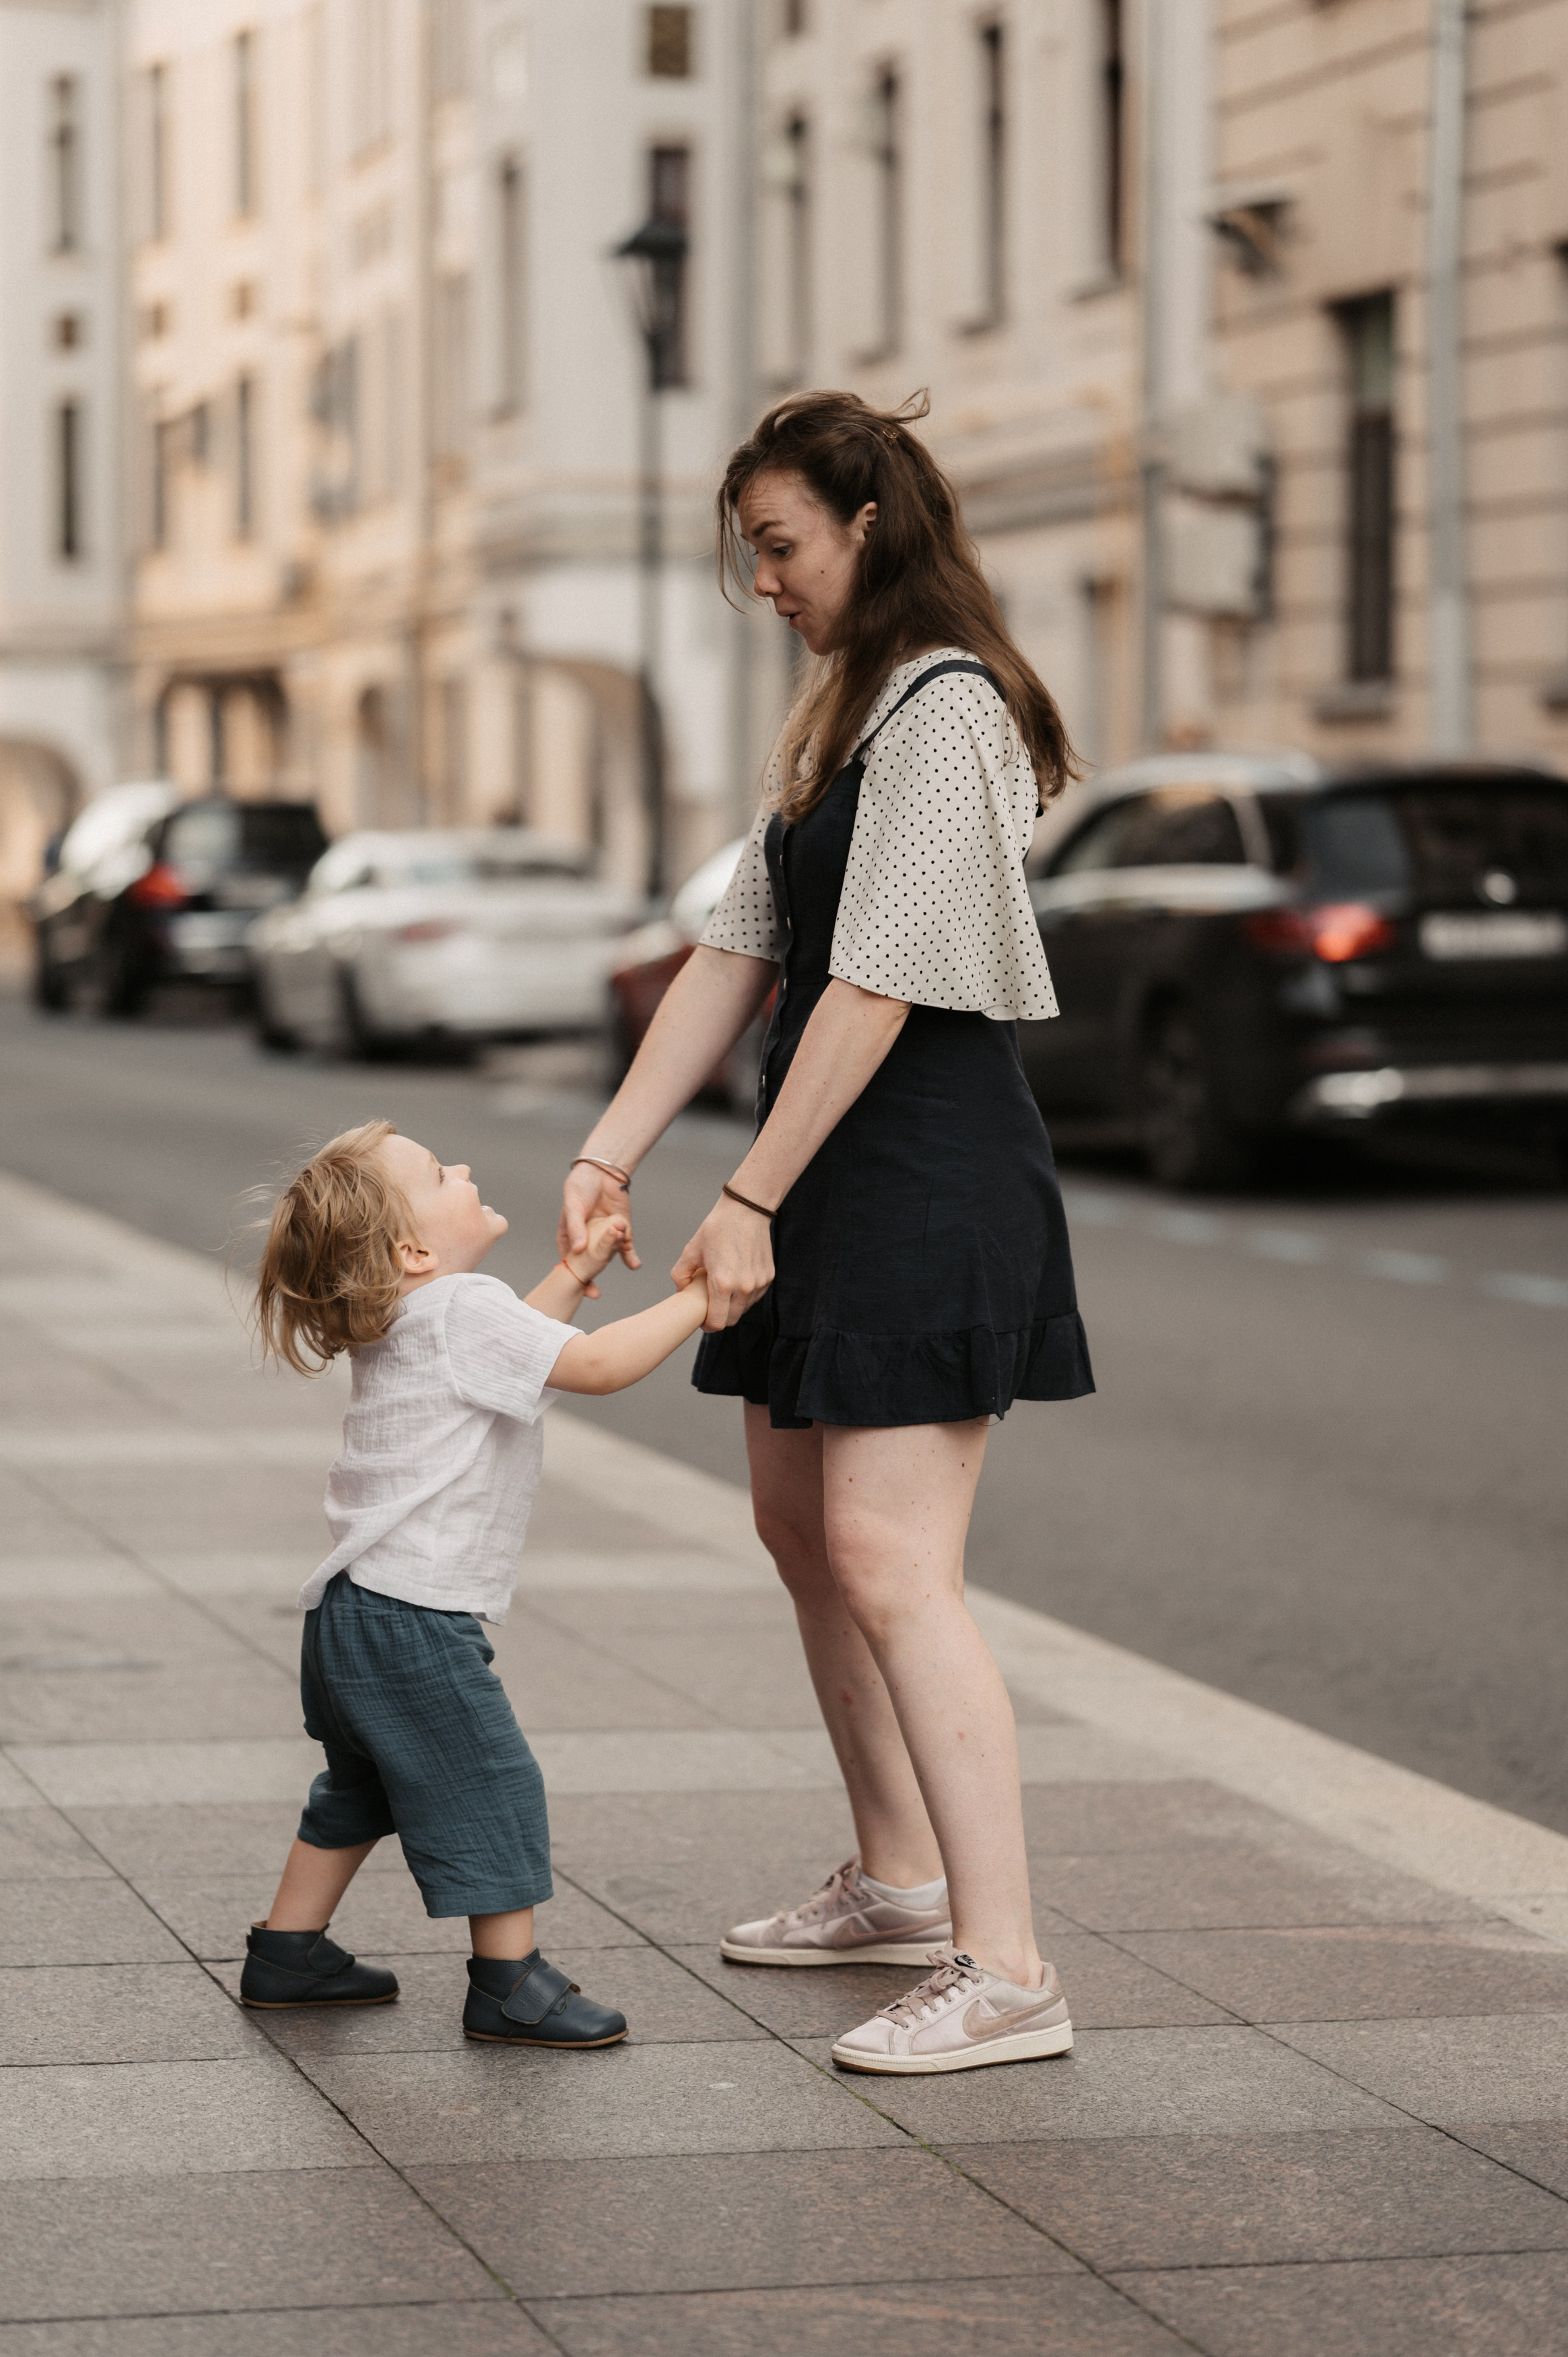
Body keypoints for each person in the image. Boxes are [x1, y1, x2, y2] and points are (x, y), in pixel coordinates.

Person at [560, 389, 1094, 2076]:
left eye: (780, 546)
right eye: (751, 556)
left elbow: (869, 985)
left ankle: (1004, 1969)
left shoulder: (944, 708)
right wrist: (610, 1149)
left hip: (919, 1166)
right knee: (803, 1534)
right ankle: (898, 1879)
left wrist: (745, 1193)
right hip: (833, 1167)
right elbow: (741, 946)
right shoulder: (844, 714)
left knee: (887, 1558)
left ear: (869, 525)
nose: (767, 582)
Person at [242, 1119, 709, 2047]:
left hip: (350, 1615)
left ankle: (288, 1953)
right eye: (438, 1171)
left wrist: (574, 1275)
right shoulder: (461, 1308)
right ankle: (508, 1984)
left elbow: (515, 1353)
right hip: (412, 1619)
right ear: (414, 1250)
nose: (463, 1166)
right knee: (493, 1782)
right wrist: (702, 1298)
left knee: (364, 1786)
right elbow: (595, 1367)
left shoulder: (419, 1316)